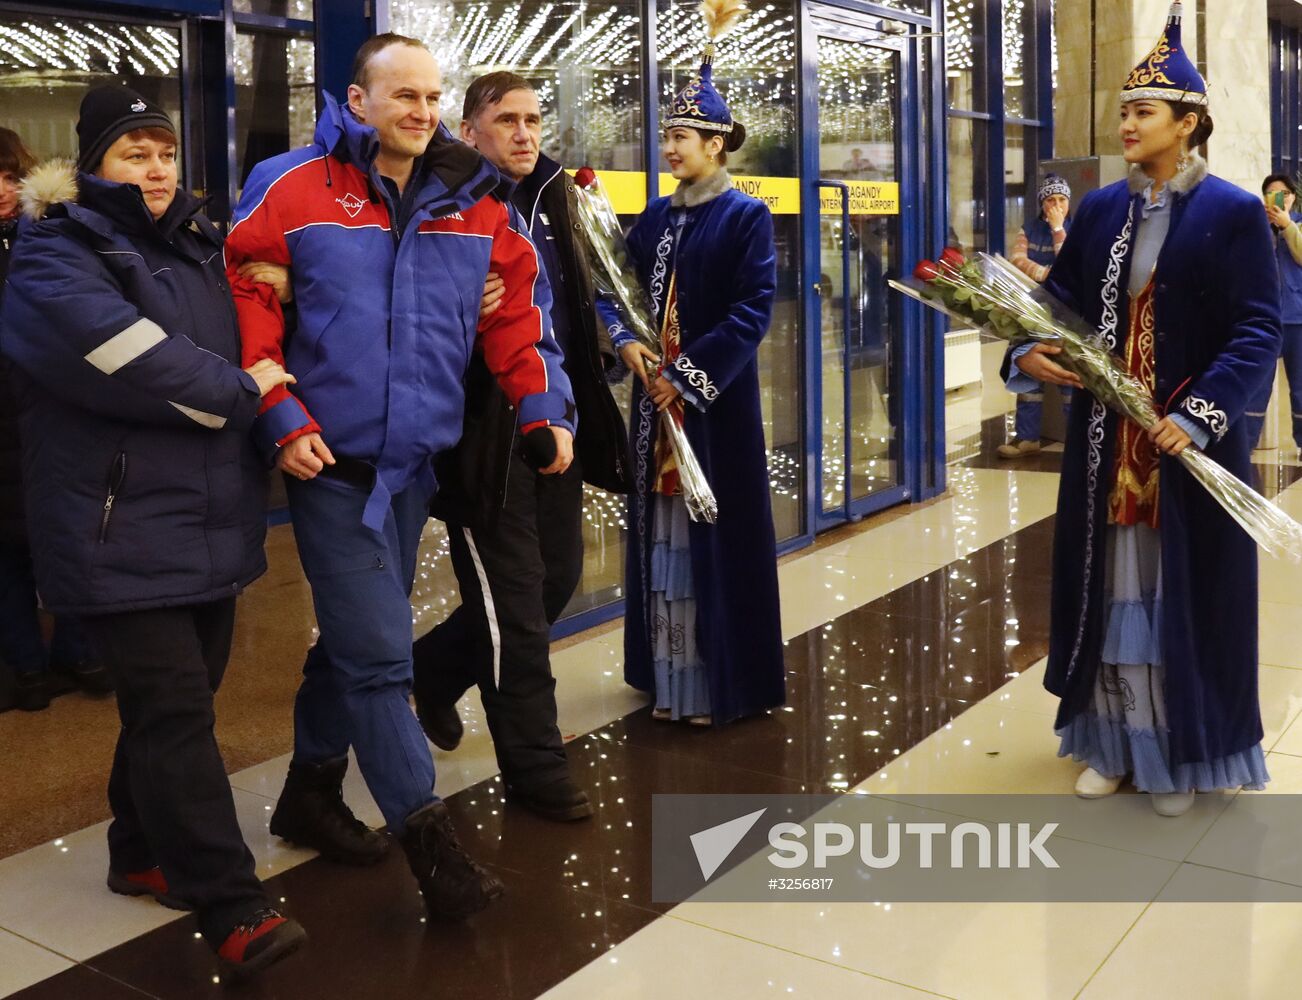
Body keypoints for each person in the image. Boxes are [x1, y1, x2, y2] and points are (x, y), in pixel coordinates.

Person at [225, 34, 575, 919]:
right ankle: (434, 850)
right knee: (381, 659)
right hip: (329, 466)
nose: (420, 111)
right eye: (403, 95)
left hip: (415, 467)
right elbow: (244, 307)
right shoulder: (293, 187)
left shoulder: (473, 198)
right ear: (357, 98)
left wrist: (543, 409)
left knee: (349, 637)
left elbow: (519, 318)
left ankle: (309, 789)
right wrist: (280, 415)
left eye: (431, 96)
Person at [0, 85, 306, 979]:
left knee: (177, 707)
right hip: (112, 526)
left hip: (206, 520)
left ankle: (137, 848)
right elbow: (133, 361)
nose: (156, 168)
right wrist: (248, 390)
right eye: (134, 153)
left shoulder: (201, 244)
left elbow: (267, 316)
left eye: (164, 151)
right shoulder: (52, 255)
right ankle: (232, 903)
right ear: (92, 164)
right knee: (175, 717)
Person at [1009, 2, 1281, 816]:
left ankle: (1182, 752)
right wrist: (1027, 350)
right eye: (1124, 110)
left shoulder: (1233, 212)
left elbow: (1256, 327)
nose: (1127, 123)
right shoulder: (1099, 210)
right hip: (1105, 441)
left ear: (1188, 123)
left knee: (1181, 595)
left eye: (1144, 111)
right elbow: (1054, 303)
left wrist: (1197, 414)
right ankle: (1116, 745)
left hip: (1186, 446)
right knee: (1109, 587)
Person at [409, 71, 630, 822]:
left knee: (555, 580)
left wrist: (616, 352)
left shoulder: (560, 197)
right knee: (516, 614)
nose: (525, 133)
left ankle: (431, 674)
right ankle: (535, 766)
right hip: (479, 435)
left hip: (552, 422)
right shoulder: (441, 202)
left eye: (534, 119)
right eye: (506, 120)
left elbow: (587, 295)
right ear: (469, 131)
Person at [599, 16, 785, 726]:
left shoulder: (745, 217)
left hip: (715, 410)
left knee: (716, 538)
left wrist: (686, 375)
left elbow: (752, 310)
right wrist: (626, 343)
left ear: (716, 144)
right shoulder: (655, 217)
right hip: (653, 406)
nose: (670, 147)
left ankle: (719, 684)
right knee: (664, 538)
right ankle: (668, 679)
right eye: (668, 136)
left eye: (682, 138)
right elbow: (612, 289)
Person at [1000, 173, 1074, 459]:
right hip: (1031, 311)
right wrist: (1046, 274)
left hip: (1066, 315)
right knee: (1029, 373)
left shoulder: (1076, 228)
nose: (1056, 205)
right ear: (1042, 203)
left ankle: (1075, 442)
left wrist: (1058, 230)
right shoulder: (1028, 229)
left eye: (1062, 200)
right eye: (1050, 200)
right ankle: (1027, 437)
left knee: (1068, 375)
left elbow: (1069, 261)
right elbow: (1017, 261)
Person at [1244, 173, 1302, 453]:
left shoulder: (1299, 225)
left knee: (1301, 386)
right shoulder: (1256, 227)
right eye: (1272, 194)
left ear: (1293, 197)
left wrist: (1288, 226)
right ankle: (1246, 443)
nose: (1280, 198)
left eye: (1284, 194)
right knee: (1256, 384)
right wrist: (1266, 228)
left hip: (1297, 319)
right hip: (1263, 318)